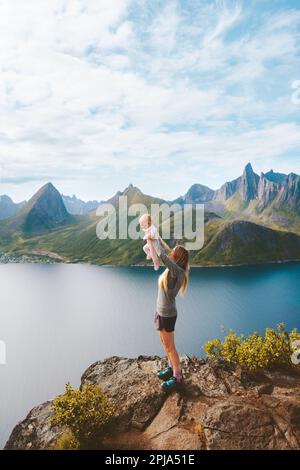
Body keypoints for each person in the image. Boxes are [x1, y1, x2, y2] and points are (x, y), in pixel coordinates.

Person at [154, 242, 189, 391]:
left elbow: (162, 255)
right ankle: (170, 366)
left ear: (177, 257)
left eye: (173, 251)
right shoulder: (172, 270)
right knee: (164, 343)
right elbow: (164, 256)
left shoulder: (177, 271)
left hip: (168, 314)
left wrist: (153, 240)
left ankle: (177, 376)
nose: (170, 252)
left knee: (170, 346)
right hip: (160, 311)